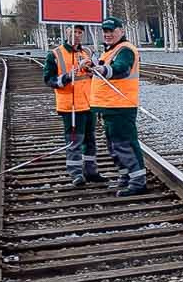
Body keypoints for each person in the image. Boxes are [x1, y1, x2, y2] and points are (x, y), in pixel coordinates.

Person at [88, 16, 146, 196]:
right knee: (114, 144)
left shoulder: (125, 49)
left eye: (111, 31)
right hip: (109, 106)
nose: (108, 34)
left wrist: (104, 70)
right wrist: (92, 65)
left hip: (121, 105)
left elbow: (121, 68)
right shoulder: (110, 51)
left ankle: (138, 181)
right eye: (105, 31)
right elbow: (105, 68)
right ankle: (125, 175)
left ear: (121, 31)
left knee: (125, 143)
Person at [42, 23, 104, 187]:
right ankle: (76, 173)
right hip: (70, 105)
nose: (76, 35)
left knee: (90, 139)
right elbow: (49, 80)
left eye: (79, 32)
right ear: (66, 31)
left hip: (89, 104)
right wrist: (71, 75)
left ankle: (91, 171)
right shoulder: (55, 54)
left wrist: (93, 70)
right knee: (74, 141)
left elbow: (97, 75)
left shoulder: (88, 52)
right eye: (73, 31)